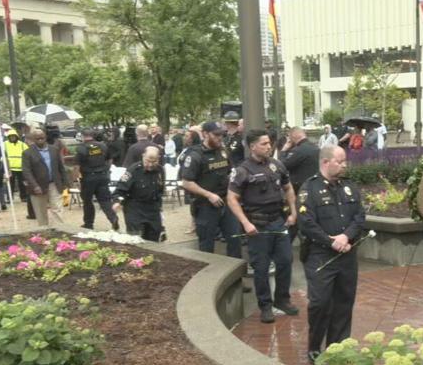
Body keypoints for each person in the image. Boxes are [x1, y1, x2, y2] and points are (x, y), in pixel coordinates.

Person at [298, 145, 366, 363]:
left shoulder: (349, 187)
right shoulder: (309, 189)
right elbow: (306, 223)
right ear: (326, 162)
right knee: (320, 303)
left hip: (346, 255)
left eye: (345, 161)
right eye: (340, 161)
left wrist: (346, 237)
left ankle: (338, 346)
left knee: (344, 302)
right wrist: (331, 242)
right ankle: (314, 345)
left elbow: (360, 217)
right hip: (320, 256)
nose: (345, 165)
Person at [227, 129, 298, 323]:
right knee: (262, 267)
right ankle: (265, 306)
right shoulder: (243, 170)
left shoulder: (277, 165)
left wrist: (293, 212)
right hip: (257, 226)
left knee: (285, 260)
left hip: (278, 221)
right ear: (252, 147)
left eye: (269, 143)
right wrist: (245, 223)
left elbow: (288, 187)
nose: (269, 147)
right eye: (264, 144)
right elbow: (232, 198)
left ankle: (282, 300)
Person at [180, 122, 242, 258]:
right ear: (205, 134)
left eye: (222, 134)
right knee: (207, 244)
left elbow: (230, 171)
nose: (220, 137)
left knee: (235, 238)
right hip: (205, 205)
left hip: (226, 201)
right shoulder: (195, 155)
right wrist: (209, 195)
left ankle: (237, 273)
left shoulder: (223, 151)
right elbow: (187, 182)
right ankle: (209, 275)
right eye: (216, 135)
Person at [113, 146, 165, 242]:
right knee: (135, 239)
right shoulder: (133, 170)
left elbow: (160, 191)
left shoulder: (160, 170)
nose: (150, 165)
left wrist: (160, 208)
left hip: (152, 209)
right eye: (147, 161)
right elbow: (120, 189)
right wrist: (117, 202)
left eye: (154, 162)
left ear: (159, 158)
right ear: (143, 156)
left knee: (154, 238)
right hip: (135, 208)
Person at [22, 129, 69, 226]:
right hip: (38, 186)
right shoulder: (27, 153)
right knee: (40, 211)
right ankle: (44, 231)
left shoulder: (54, 150)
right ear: (33, 139)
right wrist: (35, 186)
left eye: (42, 137)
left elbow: (60, 167)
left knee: (57, 209)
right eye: (37, 138)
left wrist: (65, 182)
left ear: (45, 137)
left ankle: (60, 229)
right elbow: (27, 172)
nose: (40, 140)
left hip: (54, 184)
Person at [75, 128, 119, 231]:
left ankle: (88, 223)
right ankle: (113, 218)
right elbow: (110, 159)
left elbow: (76, 166)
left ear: (82, 136)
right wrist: (106, 169)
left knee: (87, 201)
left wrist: (76, 179)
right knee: (105, 200)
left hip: (88, 178)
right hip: (103, 176)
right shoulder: (103, 145)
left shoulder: (81, 148)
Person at [3, 129, 29, 205]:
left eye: (13, 136)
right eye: (10, 137)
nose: (12, 138)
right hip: (10, 168)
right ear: (8, 137)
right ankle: (9, 198)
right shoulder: (4, 144)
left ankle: (23, 197)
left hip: (21, 168)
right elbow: (1, 153)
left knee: (22, 184)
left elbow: (27, 153)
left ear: (16, 137)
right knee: (10, 184)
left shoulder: (22, 144)